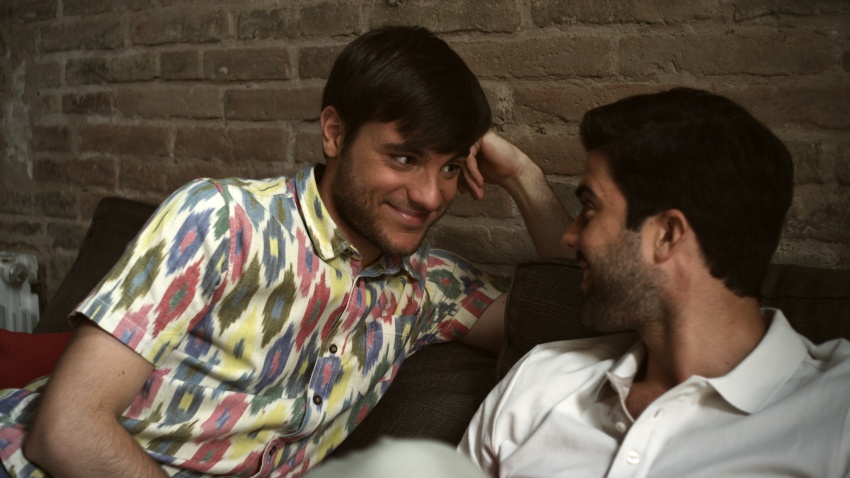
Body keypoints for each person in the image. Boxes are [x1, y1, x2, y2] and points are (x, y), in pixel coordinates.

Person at [0, 26, 569, 478]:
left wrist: (523, 176)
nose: (429, 196)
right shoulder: (220, 221)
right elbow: (66, 429)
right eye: (404, 158)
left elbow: (573, 320)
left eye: (449, 168)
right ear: (334, 133)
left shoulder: (429, 290)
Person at [459, 87, 850, 477]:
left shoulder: (837, 412)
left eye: (589, 209)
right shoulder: (539, 380)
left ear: (666, 235)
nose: (570, 236)